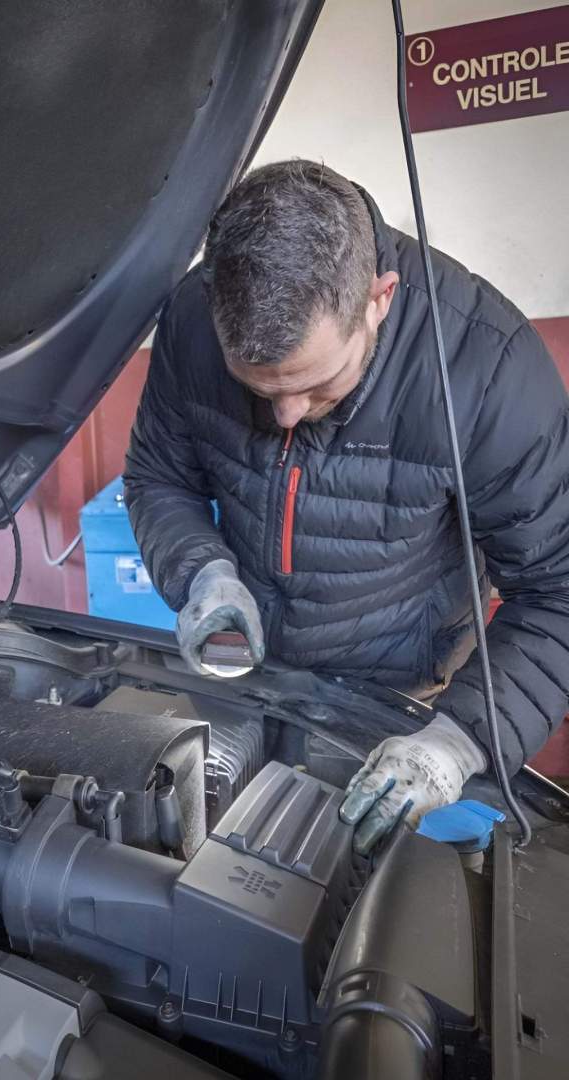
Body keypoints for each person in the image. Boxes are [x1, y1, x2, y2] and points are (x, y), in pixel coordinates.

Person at [124, 160, 569, 853]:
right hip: (245, 673)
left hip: (401, 700)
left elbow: (558, 594)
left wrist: (456, 743)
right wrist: (202, 572)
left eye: (317, 384)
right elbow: (158, 476)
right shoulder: (190, 319)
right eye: (260, 389)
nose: (287, 415)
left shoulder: (488, 371)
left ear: (379, 298)